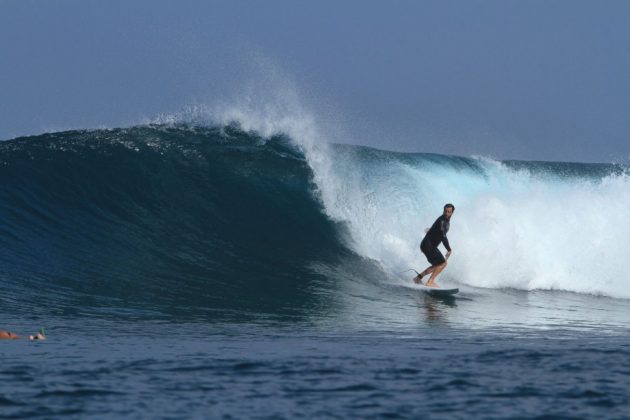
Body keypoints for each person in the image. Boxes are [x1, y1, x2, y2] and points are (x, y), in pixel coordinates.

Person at [414, 203, 455, 287]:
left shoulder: (444, 221)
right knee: (443, 263)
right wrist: (449, 249)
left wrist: (431, 231)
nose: (446, 213)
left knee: (437, 265)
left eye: (449, 212)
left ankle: (418, 278)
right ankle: (430, 281)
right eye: (445, 211)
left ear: (452, 213)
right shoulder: (442, 221)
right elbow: (443, 236)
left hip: (426, 245)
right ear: (443, 211)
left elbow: (439, 232)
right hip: (429, 246)